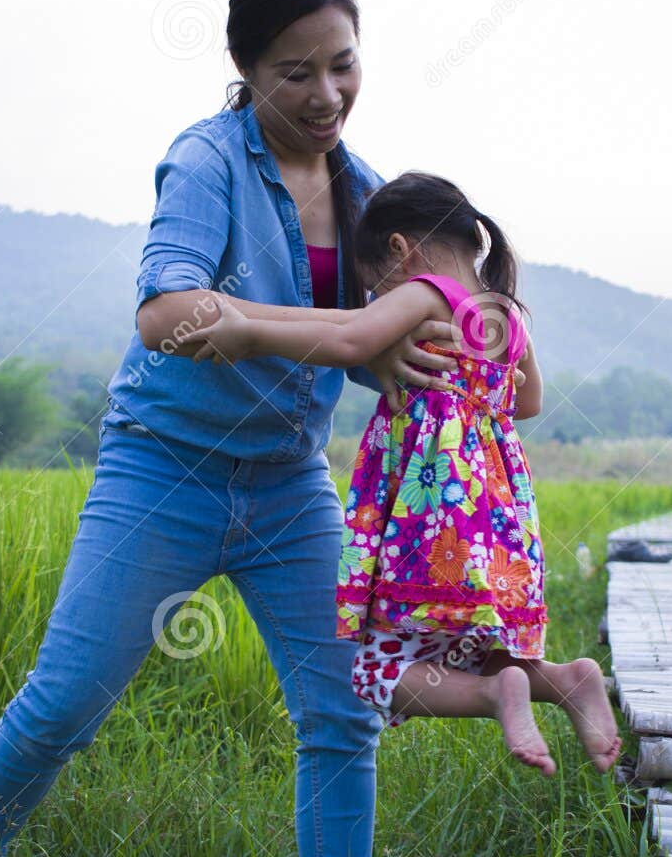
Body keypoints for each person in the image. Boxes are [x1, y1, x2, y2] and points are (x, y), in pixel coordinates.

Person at [0, 0, 460, 857]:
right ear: (244, 68)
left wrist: (408, 357)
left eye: (341, 63)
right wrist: (294, 329)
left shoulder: (369, 194)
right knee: (64, 703)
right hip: (161, 471)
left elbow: (368, 345)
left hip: (290, 483)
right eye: (295, 72)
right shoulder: (208, 159)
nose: (325, 93)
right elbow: (165, 313)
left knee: (343, 708)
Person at [186, 172, 624, 775]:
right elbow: (527, 404)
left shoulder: (424, 291)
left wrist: (249, 332)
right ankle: (567, 682)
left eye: (375, 287)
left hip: (432, 511)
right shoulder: (504, 313)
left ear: (400, 249)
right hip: (493, 513)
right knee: (475, 651)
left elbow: (350, 341)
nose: (378, 298)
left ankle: (500, 696)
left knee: (374, 672)